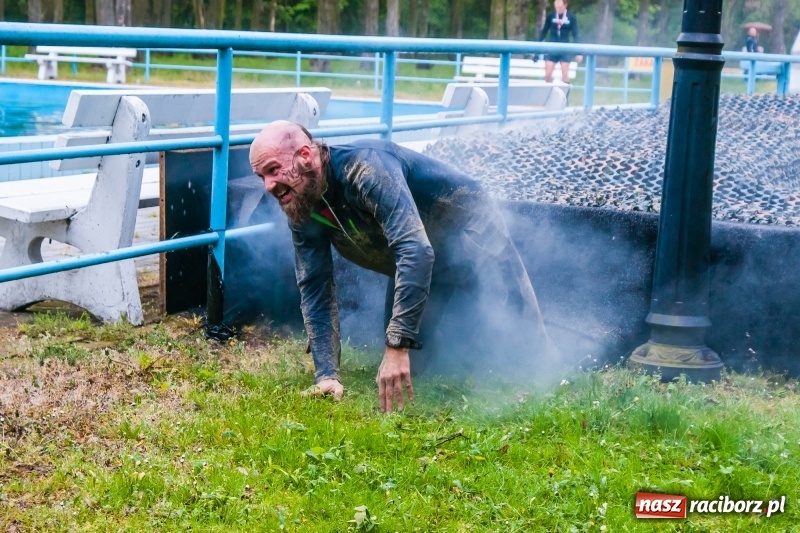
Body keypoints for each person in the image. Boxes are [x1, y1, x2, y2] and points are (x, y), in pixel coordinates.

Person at [249, 121, 559, 412]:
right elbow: (314, 286)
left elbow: (415, 250)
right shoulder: (300, 201)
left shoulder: (366, 168)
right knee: (417, 370)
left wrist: (396, 346)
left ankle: (549, 371)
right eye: (261, 176)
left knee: (532, 359)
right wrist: (327, 374)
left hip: (472, 240)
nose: (267, 186)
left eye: (273, 170)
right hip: (420, 264)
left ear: (305, 155)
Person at [536, 0, 583, 83]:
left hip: (565, 48)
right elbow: (544, 32)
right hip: (552, 48)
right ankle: (549, 93)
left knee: (565, 75)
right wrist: (535, 48)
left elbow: (575, 34)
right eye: (556, 6)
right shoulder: (551, 16)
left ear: (565, 5)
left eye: (560, 6)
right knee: (547, 75)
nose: (558, 8)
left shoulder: (571, 17)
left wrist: (579, 52)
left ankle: (565, 94)